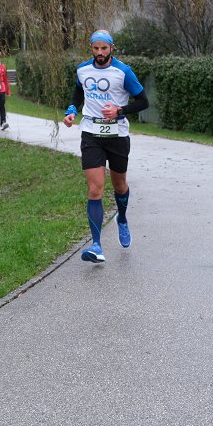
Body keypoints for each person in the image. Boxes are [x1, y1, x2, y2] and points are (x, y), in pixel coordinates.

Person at [63, 30, 149, 263]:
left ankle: (122, 218)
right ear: (91, 48)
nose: (99, 53)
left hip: (117, 135)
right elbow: (78, 92)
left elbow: (143, 101)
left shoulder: (123, 72)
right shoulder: (83, 70)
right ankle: (96, 246)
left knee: (119, 185)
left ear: (111, 48)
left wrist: (119, 110)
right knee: (94, 189)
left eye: (103, 48)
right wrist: (71, 110)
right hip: (91, 133)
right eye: (96, 48)